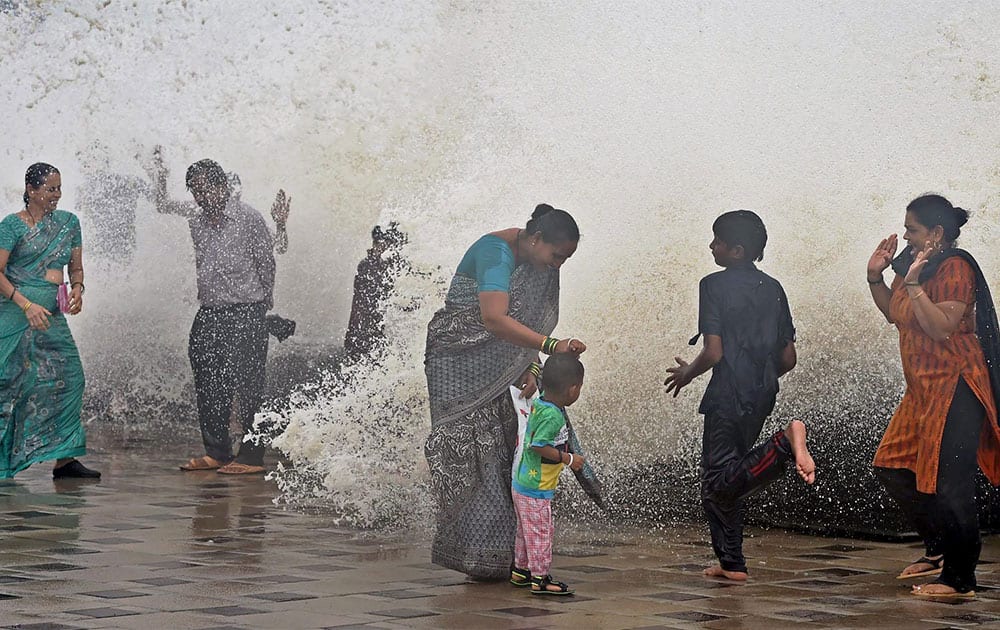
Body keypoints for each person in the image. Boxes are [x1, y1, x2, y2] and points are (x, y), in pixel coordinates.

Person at [424, 203, 587, 579]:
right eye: (557, 255)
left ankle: (502, 557)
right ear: (535, 239)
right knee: (469, 453)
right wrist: (549, 347)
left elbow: (527, 320)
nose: (559, 265)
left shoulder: (539, 263)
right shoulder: (494, 252)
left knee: (506, 451)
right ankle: (474, 556)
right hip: (458, 364)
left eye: (566, 259)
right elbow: (494, 318)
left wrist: (531, 364)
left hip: (509, 366)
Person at [664, 210, 815, 582]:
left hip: (728, 392)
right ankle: (732, 565)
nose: (711, 246)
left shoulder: (713, 285)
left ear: (737, 250)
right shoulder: (774, 288)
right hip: (762, 393)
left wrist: (687, 373)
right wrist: (759, 377)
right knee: (727, 477)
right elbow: (788, 358)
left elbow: (713, 352)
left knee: (716, 481)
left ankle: (784, 443)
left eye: (717, 241)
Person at [867, 194, 1000, 600]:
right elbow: (896, 313)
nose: (904, 236)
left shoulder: (954, 267)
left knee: (950, 483)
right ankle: (939, 549)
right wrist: (875, 277)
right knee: (891, 465)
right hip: (921, 390)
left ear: (937, 233)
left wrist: (913, 284)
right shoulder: (912, 265)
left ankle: (960, 580)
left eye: (912, 229)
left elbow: (942, 326)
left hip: (957, 383)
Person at [149, 150, 279, 475]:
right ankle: (217, 452)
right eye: (194, 190)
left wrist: (262, 307)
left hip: (247, 310)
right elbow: (164, 206)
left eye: (203, 189)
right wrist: (160, 175)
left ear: (222, 186)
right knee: (208, 381)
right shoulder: (197, 221)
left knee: (249, 385)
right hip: (210, 312)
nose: (199, 197)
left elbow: (267, 264)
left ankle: (250, 457)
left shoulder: (249, 218)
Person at [0, 163, 100, 479]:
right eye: (50, 189)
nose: (56, 194)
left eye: (59, 188)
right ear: (31, 190)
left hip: (52, 316)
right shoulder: (12, 226)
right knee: (11, 382)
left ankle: (64, 459)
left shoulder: (69, 223)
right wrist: (26, 304)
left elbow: (76, 268)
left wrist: (79, 289)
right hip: (18, 315)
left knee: (70, 377)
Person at [510, 353, 586, 595]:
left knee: (525, 531)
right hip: (535, 487)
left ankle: (521, 572)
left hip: (522, 482)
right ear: (573, 389)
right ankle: (540, 579)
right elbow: (538, 445)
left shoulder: (542, 401)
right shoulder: (553, 415)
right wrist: (568, 458)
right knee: (541, 532)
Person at [344, 222, 407, 359]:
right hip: (366, 337)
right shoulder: (368, 266)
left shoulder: (383, 265)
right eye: (379, 244)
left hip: (369, 336)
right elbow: (360, 308)